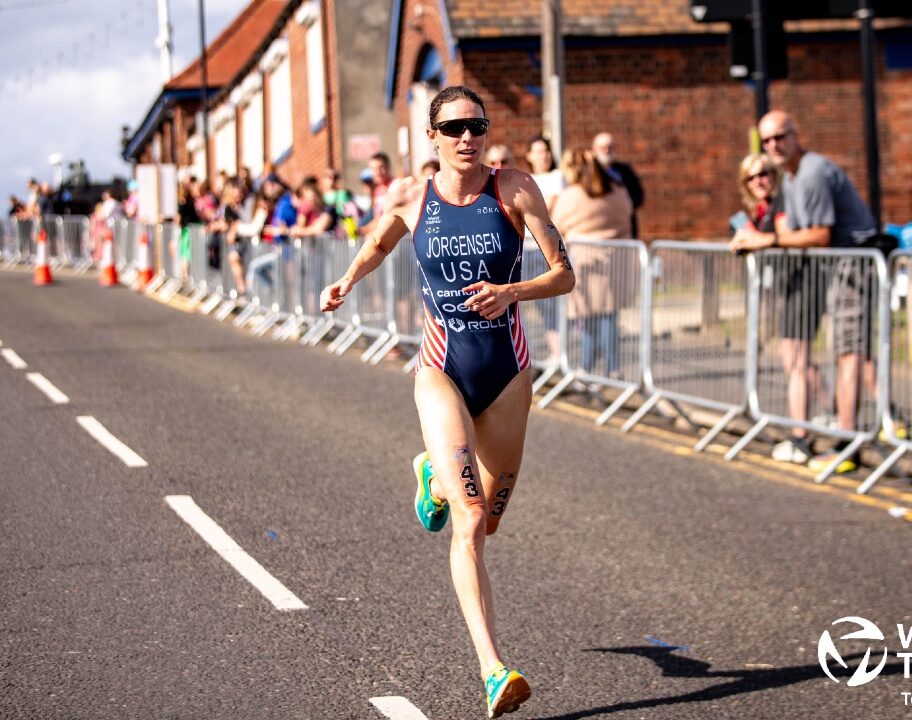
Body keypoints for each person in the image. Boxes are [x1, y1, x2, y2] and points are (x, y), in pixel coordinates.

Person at [320, 85, 574, 718]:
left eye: (478, 125)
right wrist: (347, 281)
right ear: (432, 136)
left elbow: (563, 274)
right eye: (455, 127)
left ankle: (432, 472)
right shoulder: (411, 195)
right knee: (467, 521)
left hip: (508, 374)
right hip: (441, 368)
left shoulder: (514, 189)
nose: (468, 136)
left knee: (489, 515)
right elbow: (380, 242)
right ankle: (493, 670)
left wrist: (512, 291)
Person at [730, 110, 878, 473]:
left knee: (850, 355)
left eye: (780, 137)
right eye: (767, 141)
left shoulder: (812, 172)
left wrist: (768, 241)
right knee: (844, 353)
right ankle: (844, 435)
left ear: (797, 135)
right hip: (836, 271)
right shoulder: (793, 177)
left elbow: (820, 236)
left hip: (852, 268)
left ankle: (848, 444)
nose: (774, 146)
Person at [729, 153, 820, 464]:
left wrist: (758, 241)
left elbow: (782, 237)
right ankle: (831, 413)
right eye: (751, 177)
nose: (759, 181)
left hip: (802, 283)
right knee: (798, 361)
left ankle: (801, 438)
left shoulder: (781, 204)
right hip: (786, 287)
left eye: (764, 173)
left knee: (795, 360)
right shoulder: (762, 208)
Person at [552, 148, 633, 380]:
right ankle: (609, 367)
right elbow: (627, 217)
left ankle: (592, 369)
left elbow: (557, 224)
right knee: (608, 316)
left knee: (591, 318)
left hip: (585, 262)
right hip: (617, 259)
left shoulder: (572, 195)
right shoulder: (618, 191)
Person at [525, 135, 566, 366]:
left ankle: (560, 354)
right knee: (539, 307)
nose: (545, 155)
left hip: (547, 249)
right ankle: (553, 353)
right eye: (539, 151)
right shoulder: (527, 180)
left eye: (547, 150)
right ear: (530, 155)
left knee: (552, 304)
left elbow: (544, 212)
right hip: (528, 249)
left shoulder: (557, 177)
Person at [592, 132, 644, 238]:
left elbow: (638, 196)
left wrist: (623, 206)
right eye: (603, 148)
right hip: (598, 230)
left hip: (623, 229)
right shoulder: (589, 173)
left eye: (610, 147)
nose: (606, 151)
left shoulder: (624, 171)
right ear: (594, 149)